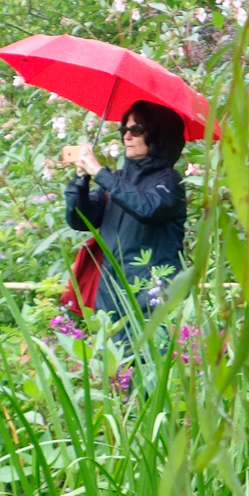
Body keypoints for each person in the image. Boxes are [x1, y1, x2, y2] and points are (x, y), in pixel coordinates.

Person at [64, 100, 186, 331]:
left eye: (136, 130)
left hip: (152, 295)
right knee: (112, 366)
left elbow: (148, 208)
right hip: (110, 295)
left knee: (154, 364)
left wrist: (100, 173)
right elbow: (80, 220)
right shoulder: (117, 180)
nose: (127, 137)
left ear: (159, 135)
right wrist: (82, 180)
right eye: (124, 130)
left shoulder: (171, 182)